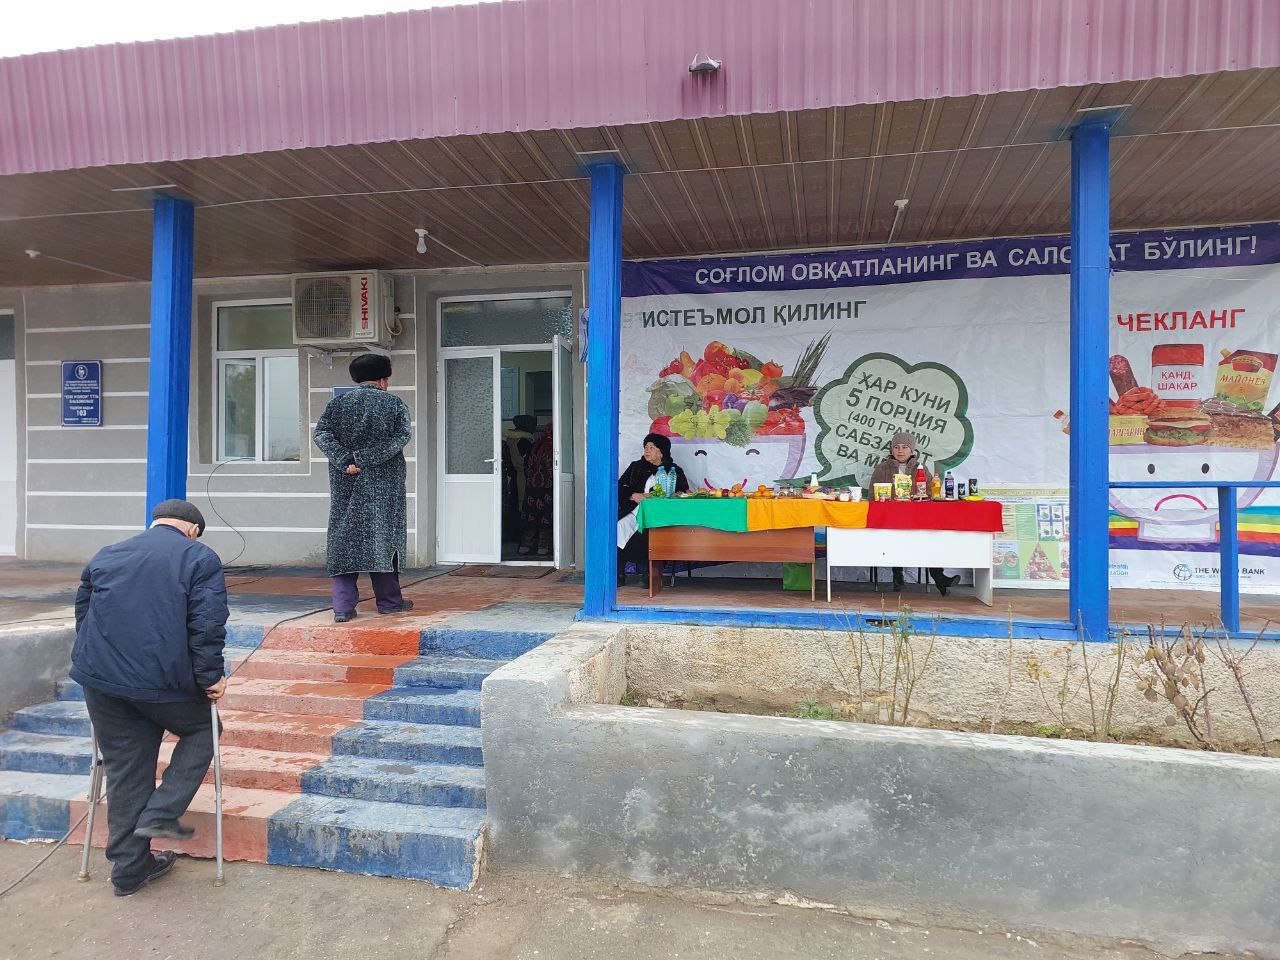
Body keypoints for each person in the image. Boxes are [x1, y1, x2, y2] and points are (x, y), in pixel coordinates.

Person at [70, 499, 228, 897]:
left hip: (102, 681)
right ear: (192, 529)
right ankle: (160, 814)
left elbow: (83, 614)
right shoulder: (199, 557)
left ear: (156, 522)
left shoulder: (108, 553)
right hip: (161, 682)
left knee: (126, 769)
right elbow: (207, 624)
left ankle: (129, 868)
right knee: (204, 730)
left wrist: (101, 661)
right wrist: (211, 677)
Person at [314, 352, 414, 623]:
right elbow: (401, 437)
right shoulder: (394, 404)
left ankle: (343, 607)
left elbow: (321, 434)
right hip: (384, 485)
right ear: (383, 380)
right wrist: (364, 458)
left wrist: (346, 460)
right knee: (384, 538)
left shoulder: (337, 404)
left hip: (346, 483)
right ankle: (390, 602)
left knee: (344, 540)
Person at [868, 431, 961, 596]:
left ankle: (939, 577)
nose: (900, 451)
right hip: (890, 519)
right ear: (892, 449)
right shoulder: (882, 469)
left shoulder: (921, 468)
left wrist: (917, 497)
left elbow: (932, 493)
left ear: (912, 450)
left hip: (916, 518)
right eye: (896, 447)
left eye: (905, 447)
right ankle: (898, 578)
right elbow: (871, 495)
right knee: (895, 537)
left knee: (930, 537)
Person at [617, 433, 689, 586]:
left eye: (652, 447)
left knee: (654, 530)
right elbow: (619, 487)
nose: (647, 450)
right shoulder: (636, 467)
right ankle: (619, 572)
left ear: (661, 452)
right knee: (618, 526)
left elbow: (684, 492)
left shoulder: (674, 470)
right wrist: (633, 495)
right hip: (635, 509)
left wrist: (677, 494)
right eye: (646, 447)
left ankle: (651, 574)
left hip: (661, 514)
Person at [518, 419, 555, 557]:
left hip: (532, 488)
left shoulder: (536, 445)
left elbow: (527, 466)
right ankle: (542, 547)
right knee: (546, 515)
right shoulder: (553, 446)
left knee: (531, 516)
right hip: (547, 489)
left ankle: (525, 545)